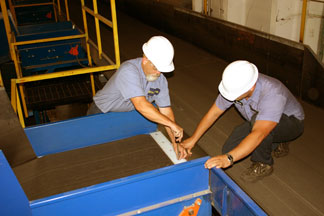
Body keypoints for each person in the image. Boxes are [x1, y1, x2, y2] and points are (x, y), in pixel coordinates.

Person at [181, 60, 304, 182]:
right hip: (259, 120)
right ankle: (276, 141)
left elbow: (258, 133)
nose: (230, 97)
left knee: (247, 142)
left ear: (251, 87)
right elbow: (214, 113)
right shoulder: (235, 85)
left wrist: (228, 159)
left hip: (291, 123)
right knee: (229, 149)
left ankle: (264, 164)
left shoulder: (272, 94)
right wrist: (193, 139)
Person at [87, 36, 187, 159]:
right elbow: (141, 105)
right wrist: (172, 125)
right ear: (145, 59)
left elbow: (166, 112)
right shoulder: (129, 70)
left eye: (161, 70)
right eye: (156, 68)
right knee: (94, 152)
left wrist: (175, 143)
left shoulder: (161, 80)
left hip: (125, 113)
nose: (159, 73)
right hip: (101, 112)